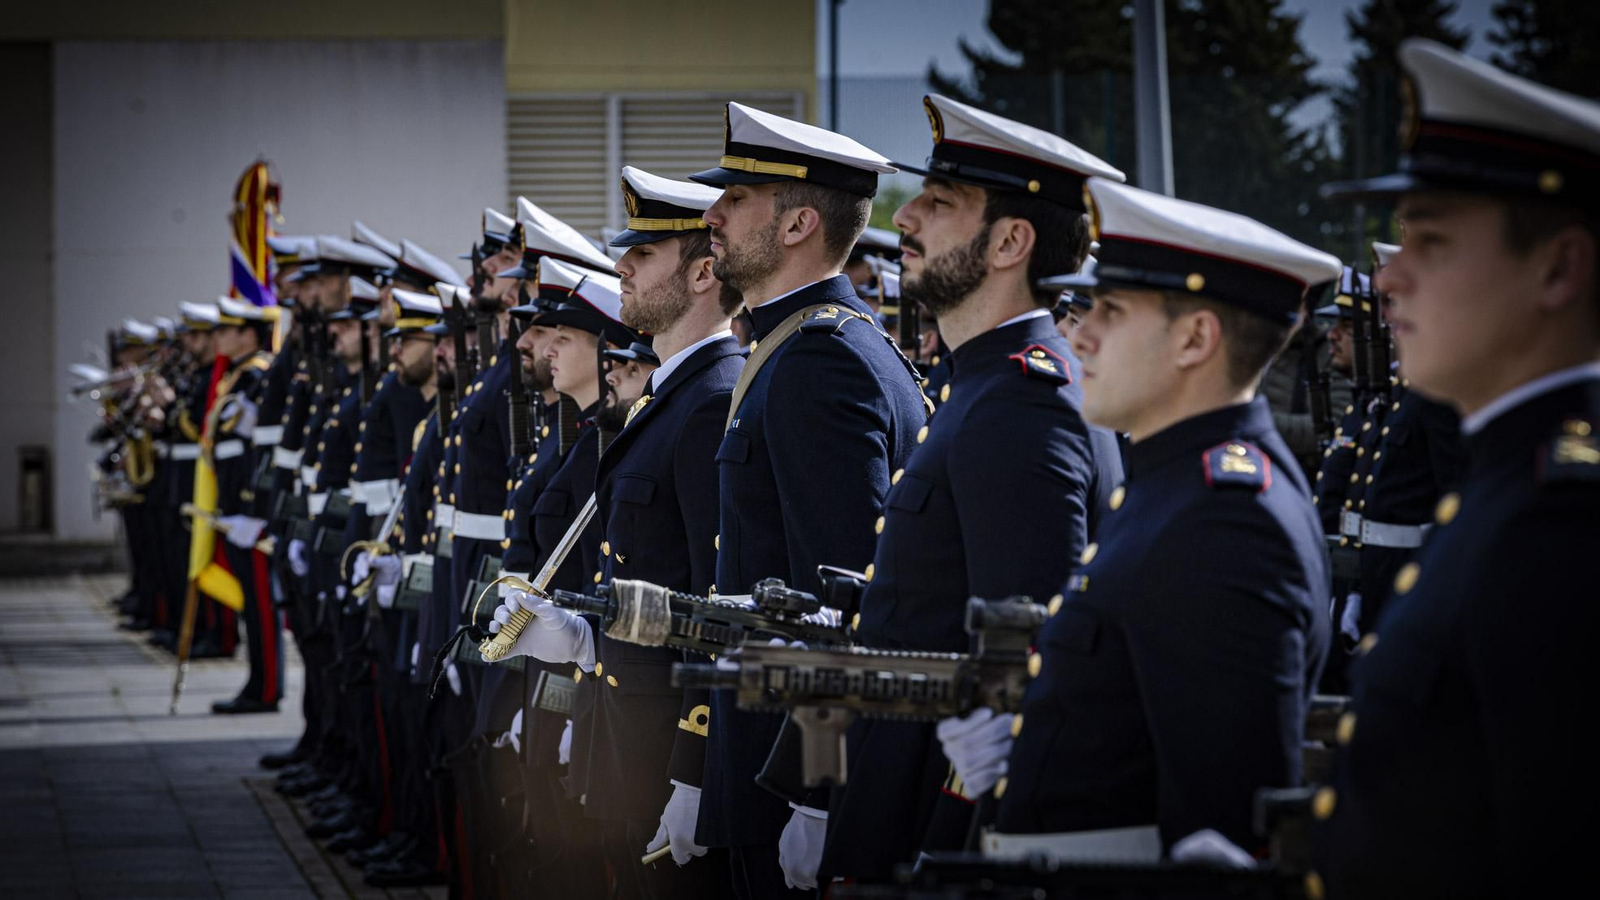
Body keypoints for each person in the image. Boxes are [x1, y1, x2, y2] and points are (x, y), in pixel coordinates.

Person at [943, 176, 1338, 861]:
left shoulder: (1224, 519)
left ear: (1195, 339)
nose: (1081, 335)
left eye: (1112, 312)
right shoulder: (1177, 483)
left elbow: (1223, 824)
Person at [1313, 39, 1598, 898]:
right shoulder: (1509, 486)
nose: (1388, 278)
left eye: (1429, 241)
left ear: (1558, 268)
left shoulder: (1563, 527)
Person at [822, 94, 1126, 882]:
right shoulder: (985, 385)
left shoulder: (1021, 401)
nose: (908, 218)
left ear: (1011, 242)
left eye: (939, 202)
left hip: (934, 823)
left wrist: (948, 846)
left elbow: (1021, 665)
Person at [688, 101, 928, 897]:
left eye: (734, 200)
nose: (712, 215)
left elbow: (842, 605)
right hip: (758, 750)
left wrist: (813, 792)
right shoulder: (798, 345)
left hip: (779, 774)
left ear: (796, 226)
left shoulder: (821, 362)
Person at [490, 167, 743, 898]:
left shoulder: (709, 401)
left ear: (702, 273)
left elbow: (714, 606)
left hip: (663, 749)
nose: (622, 266)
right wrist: (581, 635)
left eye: (645, 253)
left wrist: (692, 768)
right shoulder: (673, 397)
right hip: (624, 735)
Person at [209, 296, 280, 714]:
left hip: (251, 513)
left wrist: (254, 511)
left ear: (249, 334)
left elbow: (259, 453)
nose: (219, 337)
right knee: (251, 608)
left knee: (261, 606)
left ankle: (267, 688)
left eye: (226, 330)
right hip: (235, 508)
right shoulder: (238, 377)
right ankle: (257, 683)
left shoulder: (257, 376)